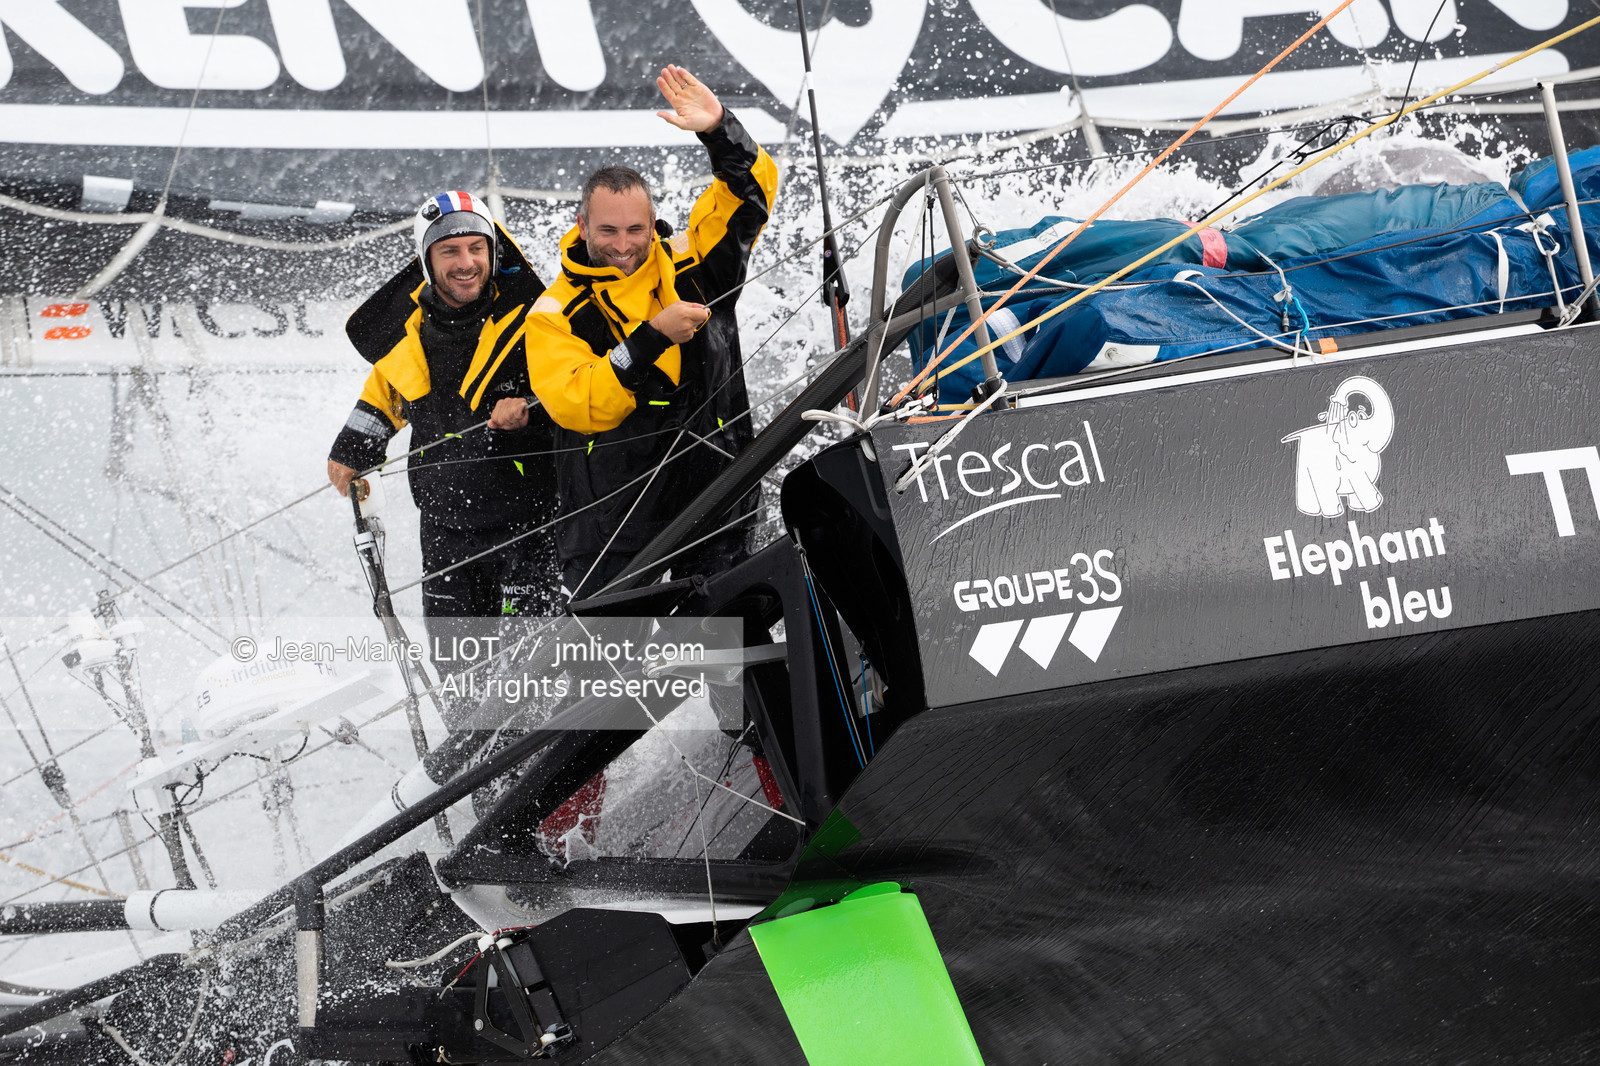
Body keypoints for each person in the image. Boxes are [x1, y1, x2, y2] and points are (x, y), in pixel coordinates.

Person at [526, 64, 779, 600]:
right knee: (611, 651)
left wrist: (719, 129)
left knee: (733, 638)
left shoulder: (695, 265)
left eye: (635, 229)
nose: (623, 245)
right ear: (582, 226)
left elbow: (750, 196)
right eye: (608, 230)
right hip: (610, 524)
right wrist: (652, 337)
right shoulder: (554, 312)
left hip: (716, 496)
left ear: (652, 223)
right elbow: (579, 402)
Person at [326, 191, 562, 673]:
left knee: (533, 675)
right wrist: (351, 448)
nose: (466, 262)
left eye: (477, 248)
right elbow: (388, 394)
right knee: (459, 676)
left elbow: (579, 389)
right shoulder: (410, 331)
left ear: (493, 252)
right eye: (449, 251)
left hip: (531, 529)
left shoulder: (540, 320)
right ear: (426, 260)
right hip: (445, 531)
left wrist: (531, 410)